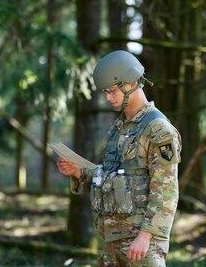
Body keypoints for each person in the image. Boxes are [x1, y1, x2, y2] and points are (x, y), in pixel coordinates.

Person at [57, 50, 181, 266]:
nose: (108, 97)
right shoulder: (119, 129)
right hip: (113, 240)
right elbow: (113, 176)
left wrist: (146, 236)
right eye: (105, 92)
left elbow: (165, 189)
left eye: (112, 91)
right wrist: (77, 172)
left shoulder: (157, 129)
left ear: (131, 83)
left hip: (142, 246)